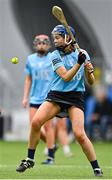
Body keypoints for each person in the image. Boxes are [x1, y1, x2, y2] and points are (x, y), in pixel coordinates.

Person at [16, 25, 103, 177]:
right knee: (36, 122)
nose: (54, 41)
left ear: (68, 38)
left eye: (57, 37)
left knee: (79, 134)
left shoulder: (83, 53)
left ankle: (96, 168)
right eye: (54, 37)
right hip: (57, 96)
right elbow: (65, 76)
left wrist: (88, 69)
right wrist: (78, 63)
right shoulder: (54, 55)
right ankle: (29, 159)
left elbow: (91, 81)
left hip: (75, 97)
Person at [21, 34, 56, 164]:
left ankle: (50, 156)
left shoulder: (53, 57)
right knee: (34, 126)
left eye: (44, 43)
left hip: (48, 98)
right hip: (34, 98)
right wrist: (25, 97)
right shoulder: (30, 59)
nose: (42, 45)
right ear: (35, 45)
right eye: (39, 43)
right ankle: (51, 145)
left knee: (48, 127)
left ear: (48, 45)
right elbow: (28, 79)